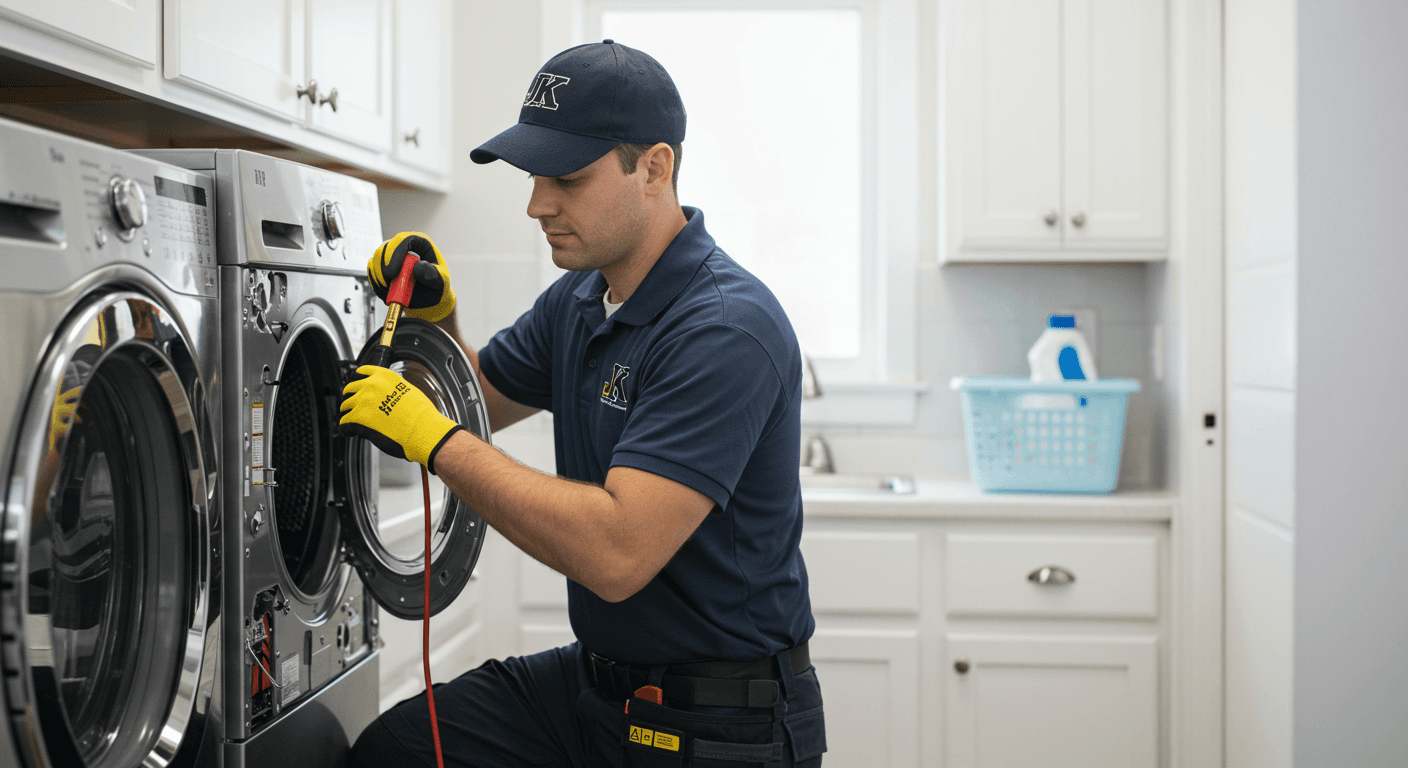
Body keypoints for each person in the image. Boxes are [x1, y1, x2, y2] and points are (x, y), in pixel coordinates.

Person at [341, 39, 824, 768]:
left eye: (566, 177)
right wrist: (433, 323)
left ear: (653, 168)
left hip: (719, 726)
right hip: (599, 687)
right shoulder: (580, 298)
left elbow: (617, 551)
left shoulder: (725, 327)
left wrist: (434, 442)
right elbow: (479, 401)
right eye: (536, 175)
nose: (538, 205)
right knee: (399, 753)